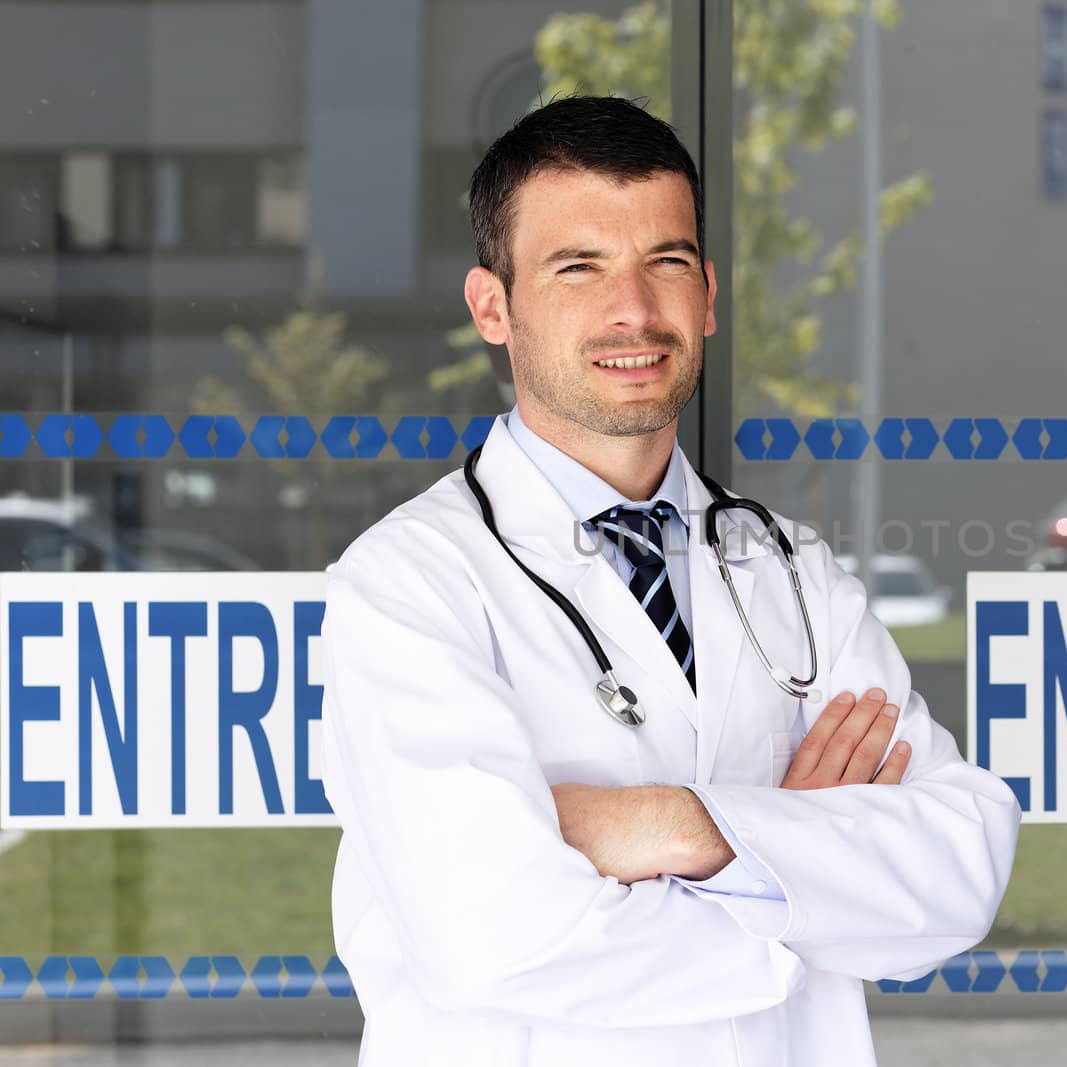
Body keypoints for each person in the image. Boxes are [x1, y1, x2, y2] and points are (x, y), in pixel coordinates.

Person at [320, 95, 1021, 1066]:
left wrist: (674, 823)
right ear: (494, 306)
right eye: (579, 267)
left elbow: (958, 866)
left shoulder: (791, 568)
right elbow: (494, 930)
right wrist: (798, 886)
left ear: (710, 295)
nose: (635, 311)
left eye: (667, 262)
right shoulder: (409, 584)